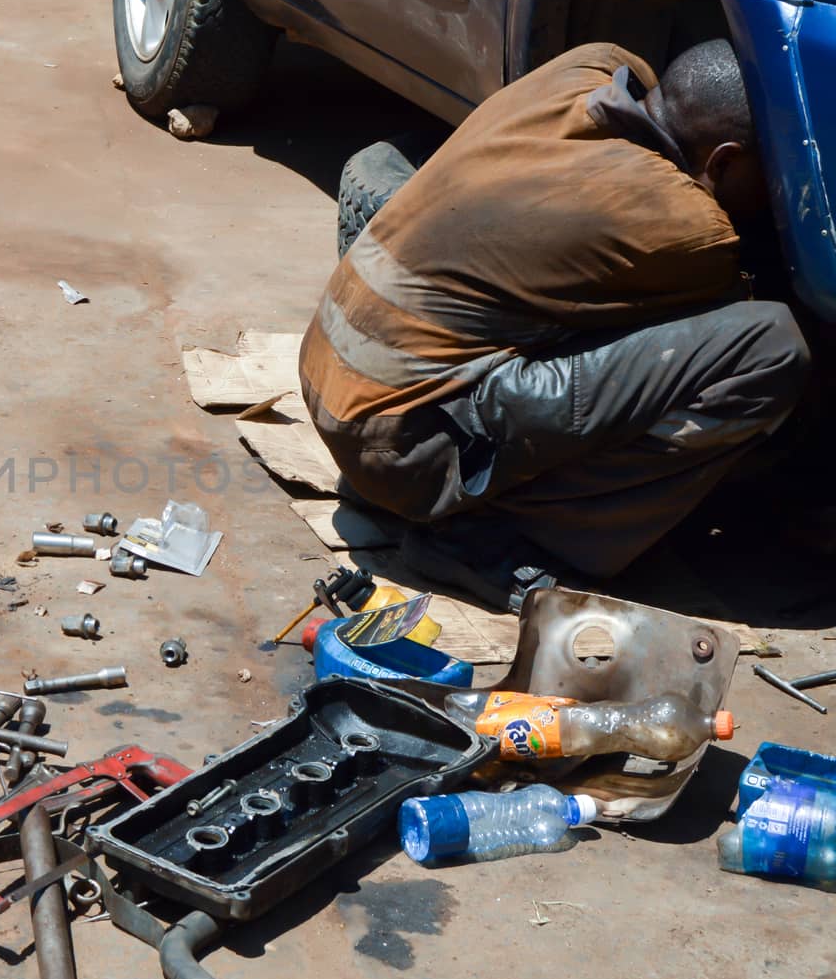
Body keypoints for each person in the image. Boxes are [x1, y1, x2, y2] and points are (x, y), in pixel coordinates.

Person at [299, 40, 812, 610]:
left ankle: (474, 489)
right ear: (722, 162)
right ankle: (489, 541)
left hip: (334, 388)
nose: (781, 196)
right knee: (770, 347)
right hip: (401, 449)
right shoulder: (687, 226)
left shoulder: (585, 68)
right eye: (777, 177)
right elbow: (733, 310)